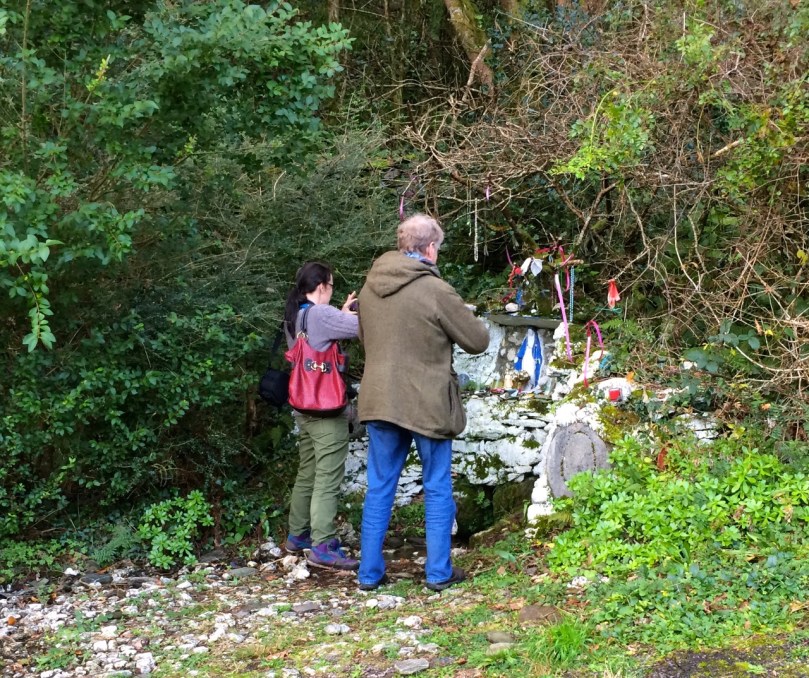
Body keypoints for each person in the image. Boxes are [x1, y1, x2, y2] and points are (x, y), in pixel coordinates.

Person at [356, 214, 490, 591]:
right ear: (430, 248)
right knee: (436, 485)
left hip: (379, 397)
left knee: (380, 486)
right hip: (426, 400)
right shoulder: (435, 289)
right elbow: (477, 340)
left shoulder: (369, 287)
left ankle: (368, 574)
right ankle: (437, 573)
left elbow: (365, 340)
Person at [282, 261, 360, 571]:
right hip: (327, 410)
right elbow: (362, 328)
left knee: (308, 472)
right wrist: (349, 313)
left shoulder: (295, 314)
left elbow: (327, 331)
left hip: (303, 406)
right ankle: (323, 545)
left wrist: (340, 313)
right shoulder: (321, 314)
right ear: (322, 286)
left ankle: (297, 535)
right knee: (327, 479)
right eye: (331, 285)